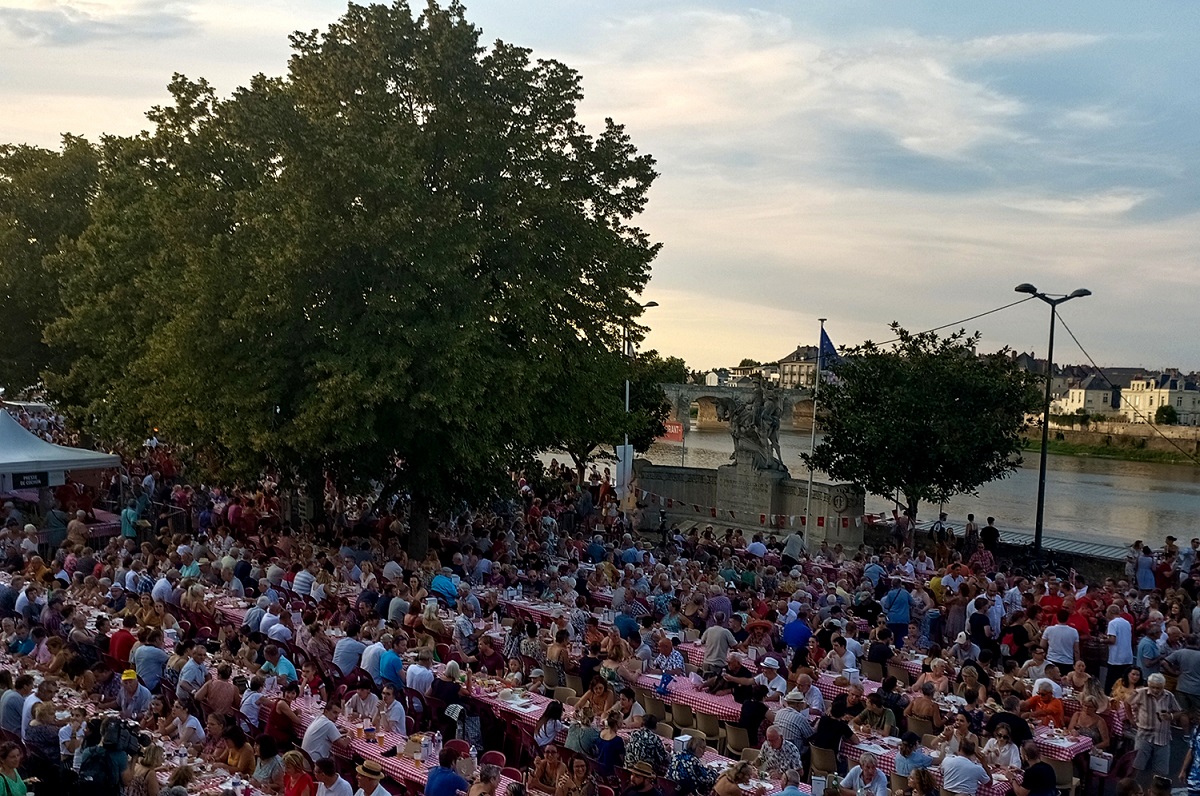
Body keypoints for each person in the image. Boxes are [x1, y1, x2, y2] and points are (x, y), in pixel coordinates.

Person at [1129, 672, 1181, 781]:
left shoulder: (1169, 695)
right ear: (1149, 685)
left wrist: (1170, 716)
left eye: (1159, 688)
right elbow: (1127, 703)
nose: (1156, 690)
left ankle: (1156, 790)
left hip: (1163, 736)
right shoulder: (1141, 693)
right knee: (1136, 765)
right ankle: (1131, 788)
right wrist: (1133, 718)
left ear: (1163, 686)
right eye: (1153, 687)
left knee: (1161, 771)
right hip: (1144, 734)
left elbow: (1179, 712)